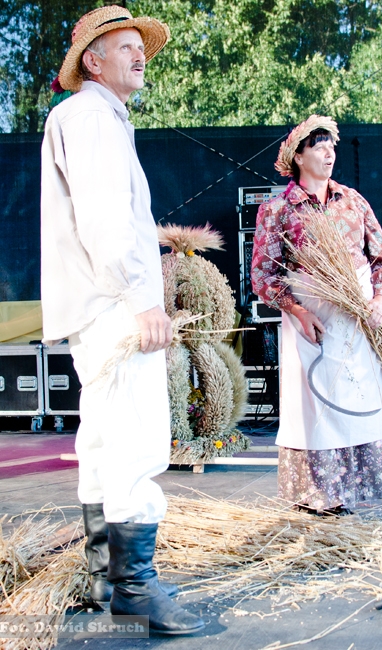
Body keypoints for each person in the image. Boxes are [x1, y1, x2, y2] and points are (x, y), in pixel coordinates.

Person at [40, 5, 204, 635]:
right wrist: (143, 299)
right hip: (115, 305)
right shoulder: (92, 117)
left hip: (98, 305)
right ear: (93, 59)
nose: (140, 55)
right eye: (126, 46)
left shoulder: (87, 116)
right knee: (135, 437)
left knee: (104, 439)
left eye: (142, 46)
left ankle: (102, 579)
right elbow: (108, 221)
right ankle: (134, 587)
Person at [251, 114, 382, 516]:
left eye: (332, 146)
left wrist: (379, 300)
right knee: (315, 407)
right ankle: (319, 495)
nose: (329, 153)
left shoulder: (353, 201)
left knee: (357, 397)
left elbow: (380, 257)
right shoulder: (278, 209)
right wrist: (297, 310)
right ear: (298, 157)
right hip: (310, 322)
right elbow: (263, 275)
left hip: (356, 320)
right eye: (319, 146)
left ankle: (351, 490)